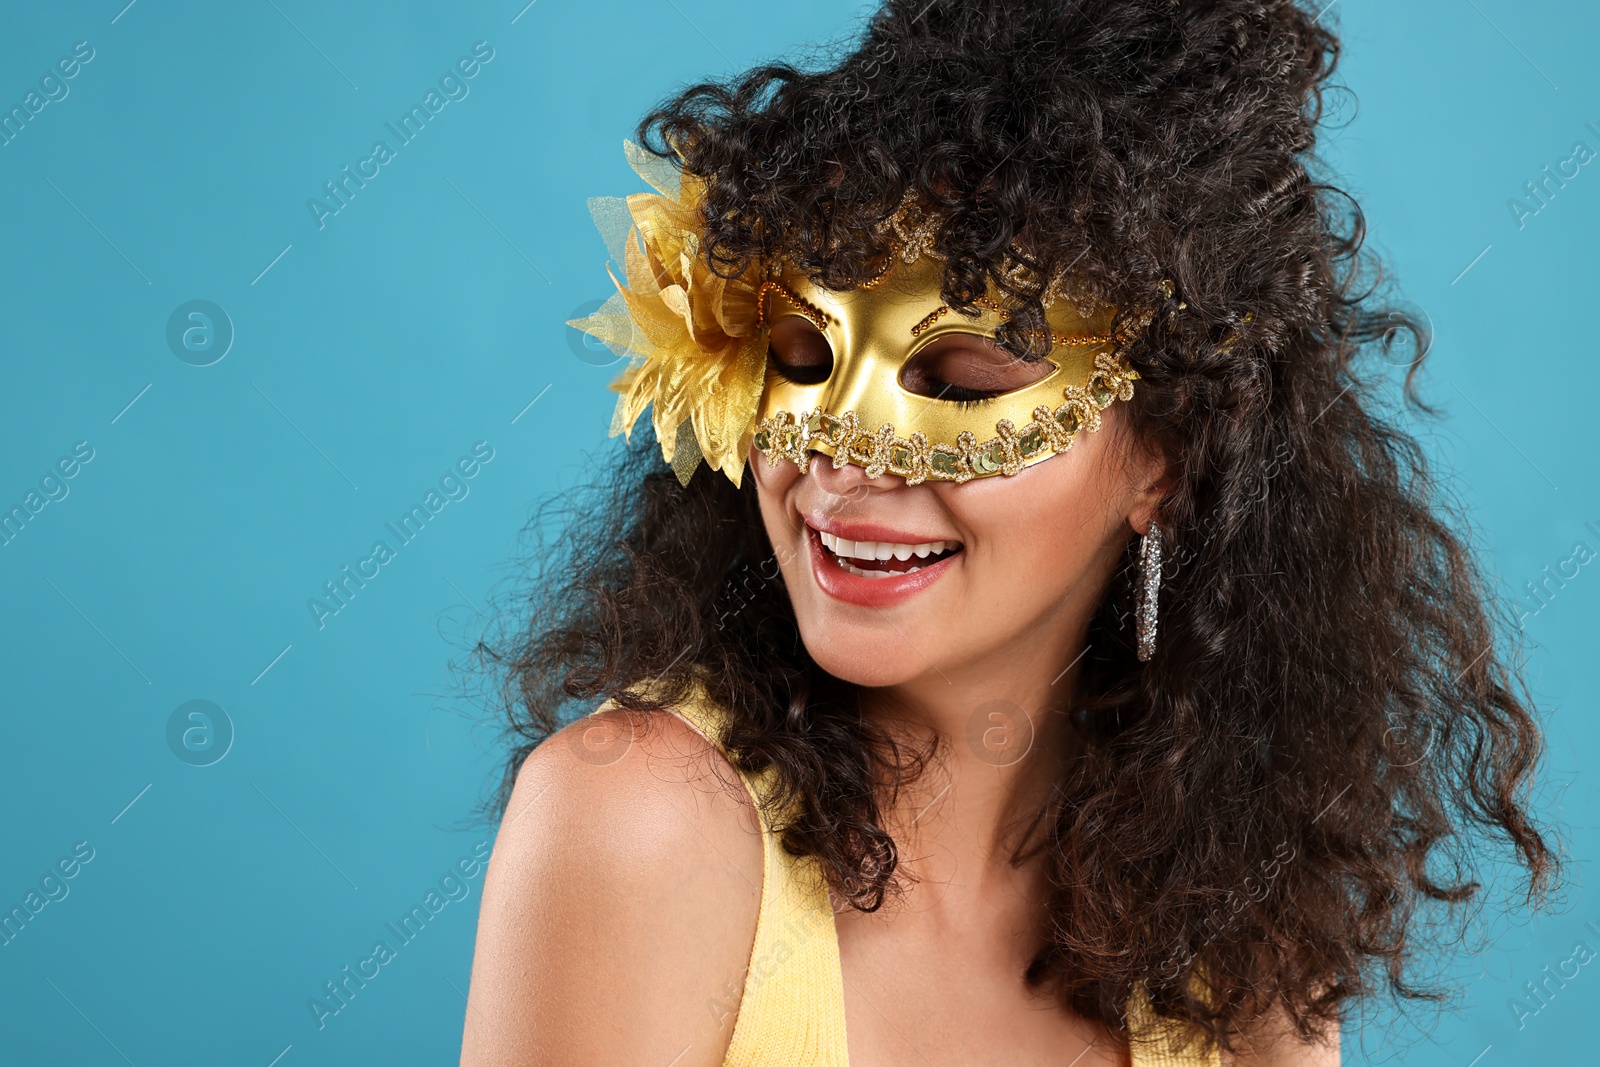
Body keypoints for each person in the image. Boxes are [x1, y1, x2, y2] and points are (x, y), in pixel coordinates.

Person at [459, 1, 1556, 1064]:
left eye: (964, 379)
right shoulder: (635, 823)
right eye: (800, 357)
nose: (840, 456)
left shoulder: (1230, 916)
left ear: (1166, 456)